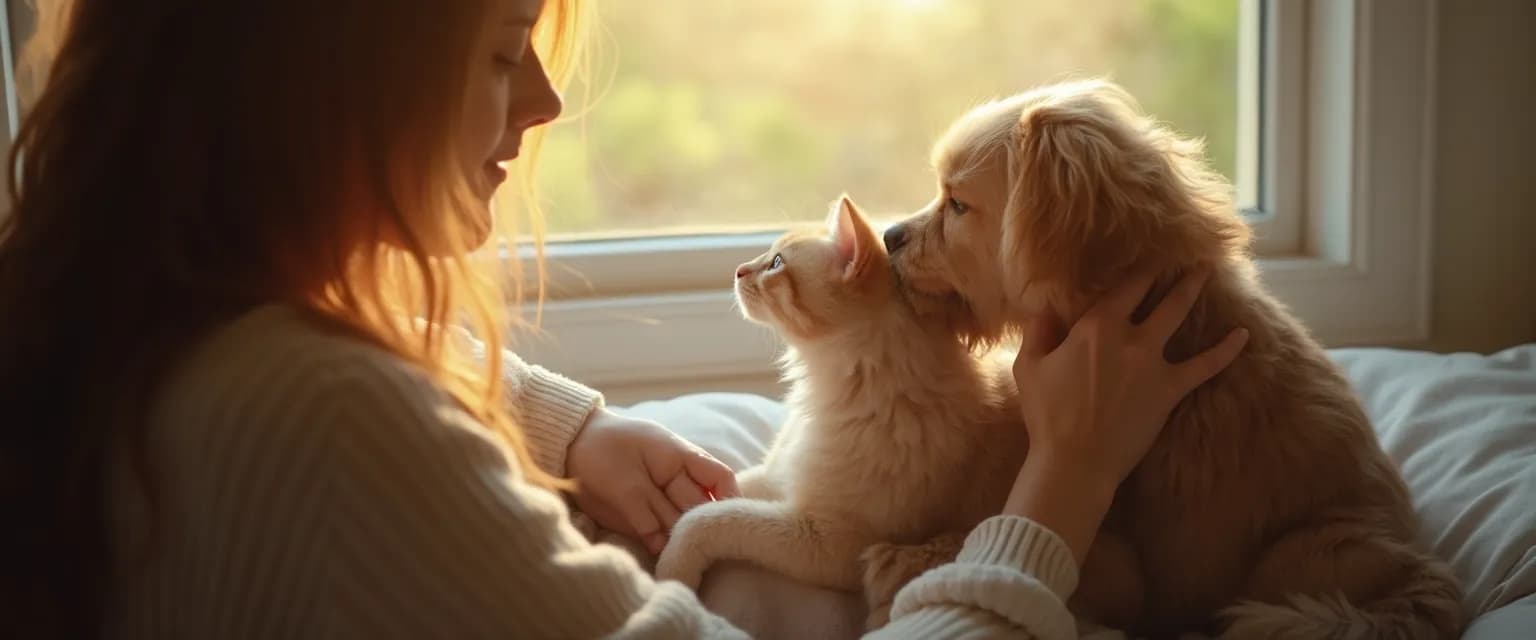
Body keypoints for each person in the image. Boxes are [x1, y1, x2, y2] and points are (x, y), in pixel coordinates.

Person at [0, 0, 1249, 638]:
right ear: (312, 74)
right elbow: (341, 443)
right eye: (501, 50)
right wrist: (1062, 486)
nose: (544, 101)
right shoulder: (318, 427)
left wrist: (566, 422)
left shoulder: (110, 321)